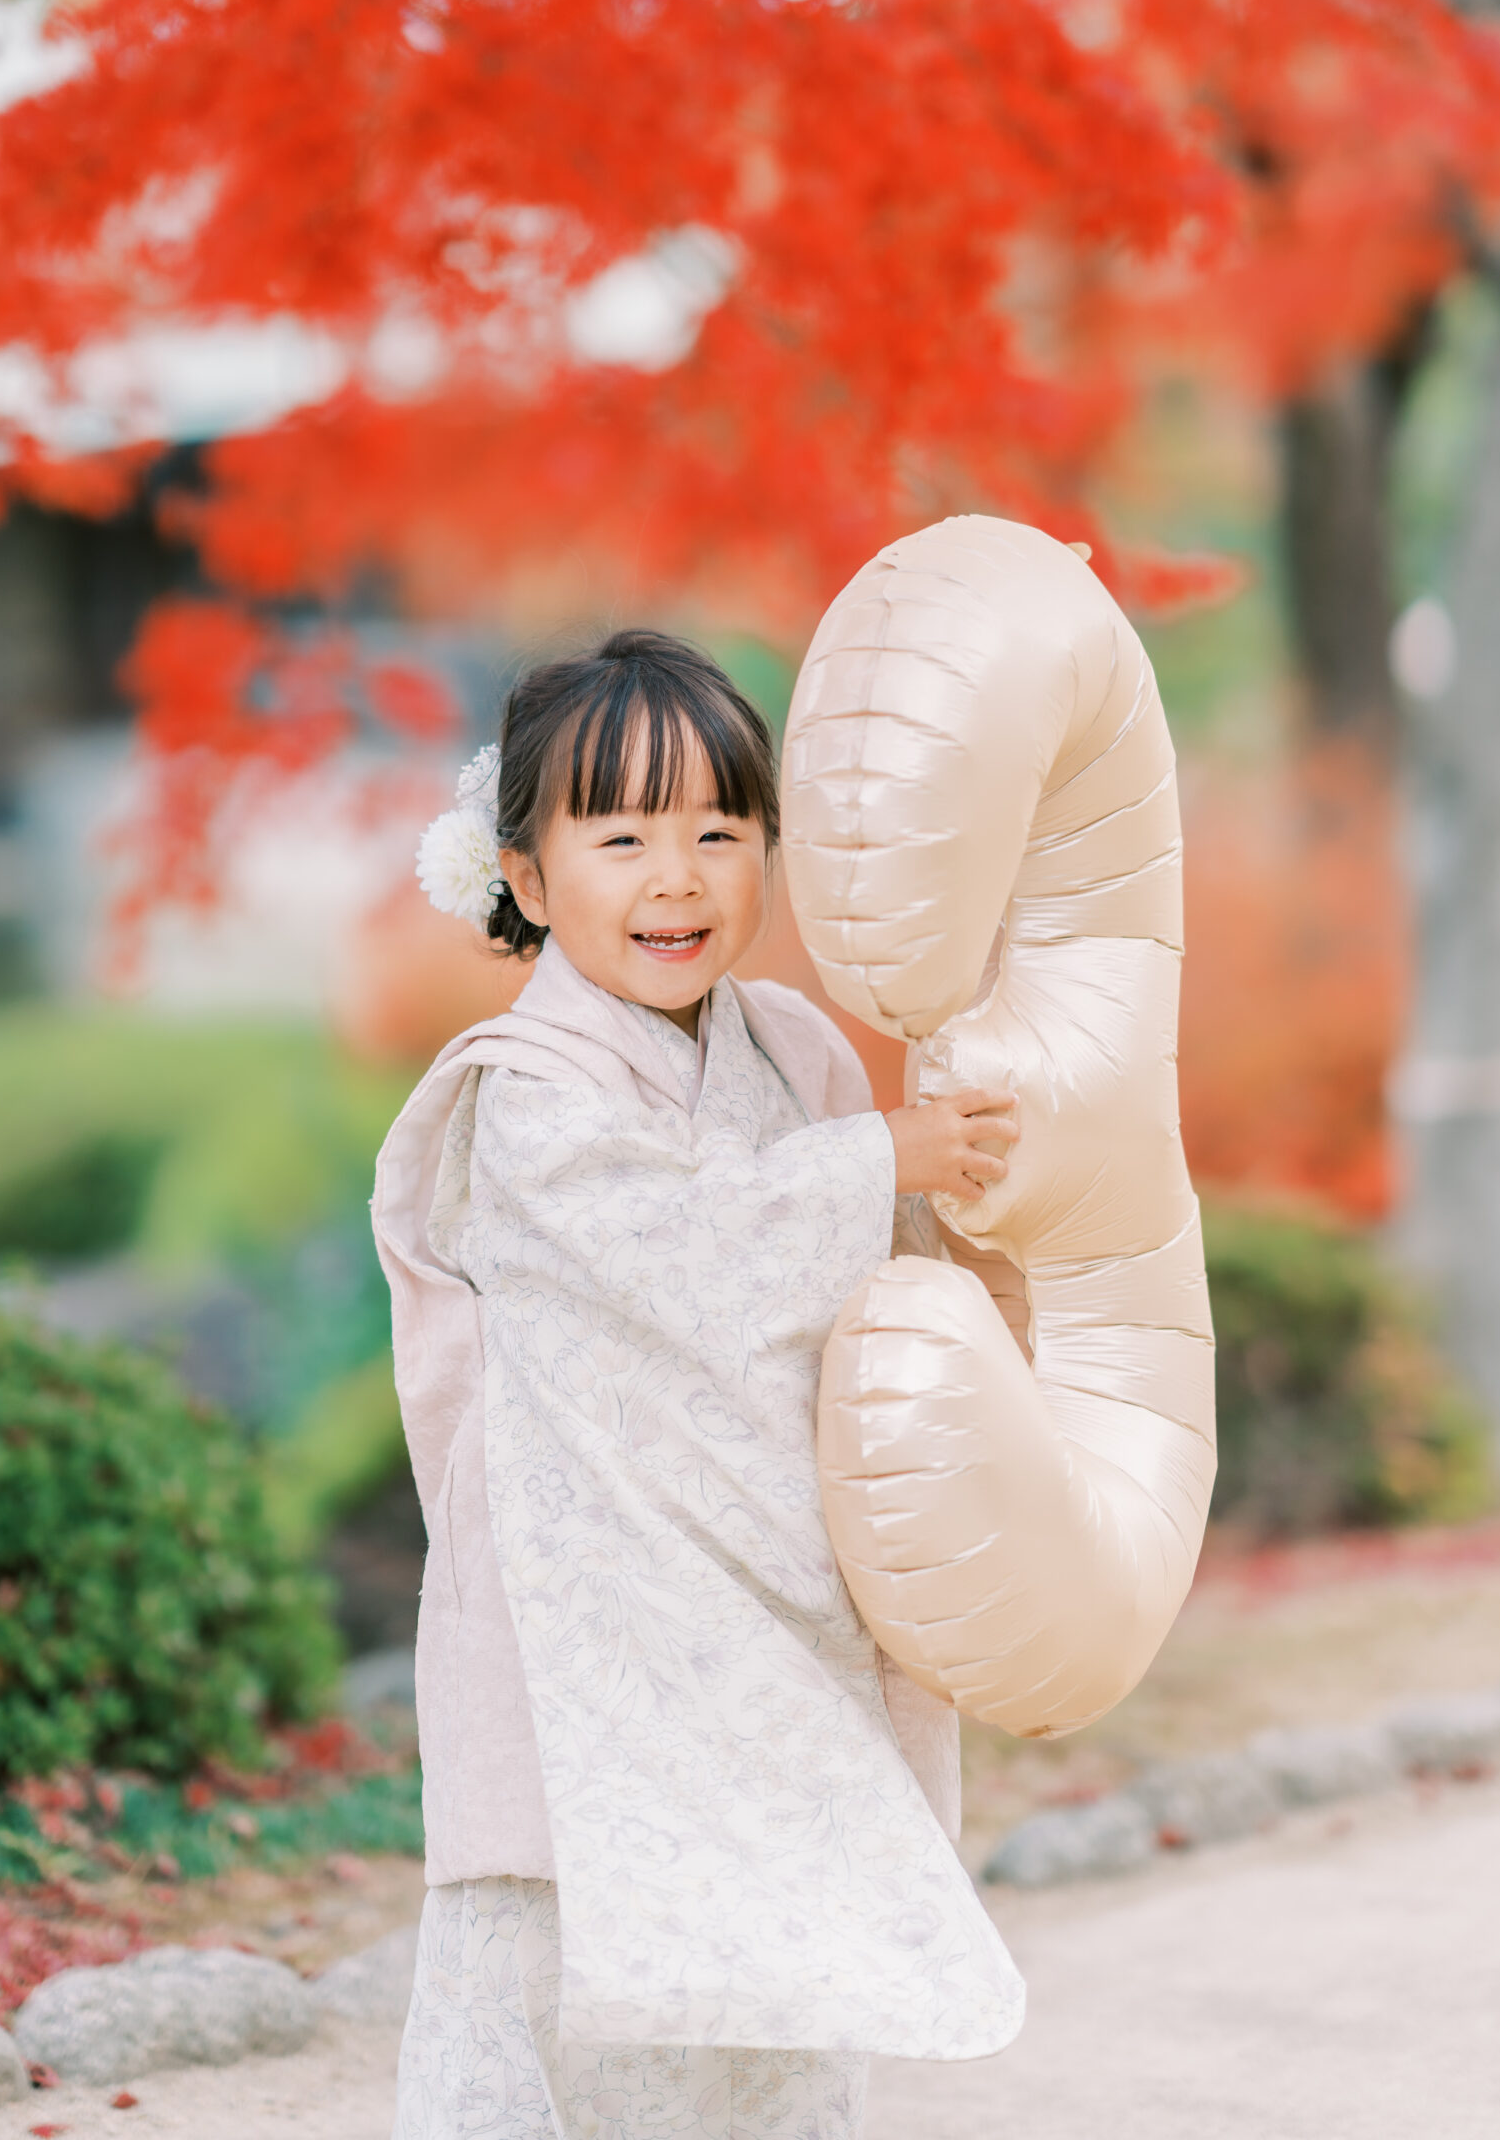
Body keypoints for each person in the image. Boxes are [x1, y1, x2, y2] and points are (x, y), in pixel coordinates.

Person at [373, 631, 1025, 2140]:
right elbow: (672, 1253)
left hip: (772, 1598)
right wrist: (877, 1163)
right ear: (528, 878)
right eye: (621, 838)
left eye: (721, 832)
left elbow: (883, 1289)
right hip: (587, 1605)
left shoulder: (792, 1048)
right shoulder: (523, 1091)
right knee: (552, 1970)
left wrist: (978, 1222)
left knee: (780, 1979)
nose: (677, 878)